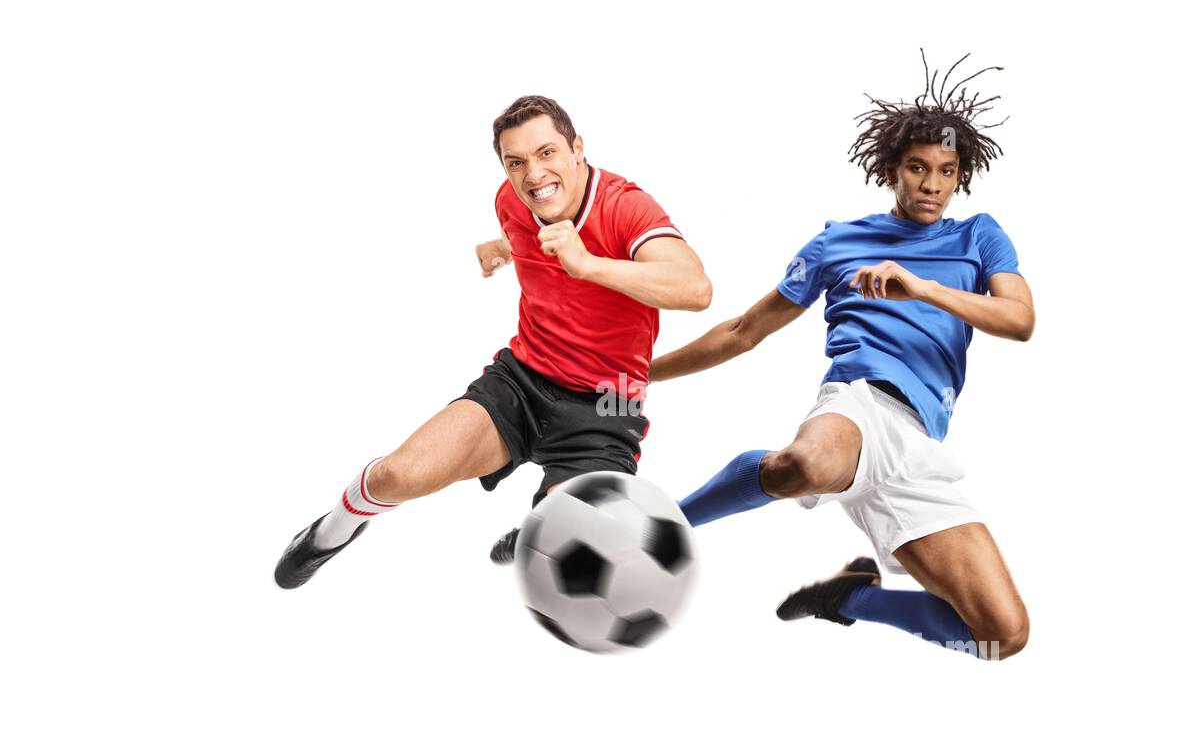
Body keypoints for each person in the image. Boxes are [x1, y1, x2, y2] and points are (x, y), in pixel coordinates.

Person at [649, 53, 1034, 660]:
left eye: (946, 171)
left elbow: (1021, 321)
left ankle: (850, 598)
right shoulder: (839, 242)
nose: (931, 184)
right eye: (916, 168)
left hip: (922, 447)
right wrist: (642, 374)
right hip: (859, 403)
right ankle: (657, 525)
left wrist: (925, 287)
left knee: (1000, 636)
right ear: (891, 169)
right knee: (798, 467)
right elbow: (746, 328)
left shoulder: (979, 237)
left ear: (961, 176)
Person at [275, 95, 711, 589]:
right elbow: (526, 232)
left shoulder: (624, 206)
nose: (533, 175)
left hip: (607, 405)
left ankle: (538, 531)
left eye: (547, 153)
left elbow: (696, 289)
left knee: (581, 544)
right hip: (522, 381)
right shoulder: (512, 199)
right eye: (516, 162)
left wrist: (588, 265)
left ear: (578, 149)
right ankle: (329, 533)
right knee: (396, 475)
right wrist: (502, 247)